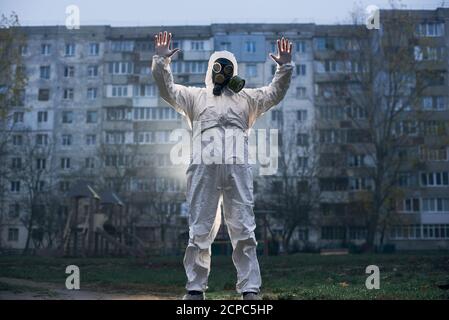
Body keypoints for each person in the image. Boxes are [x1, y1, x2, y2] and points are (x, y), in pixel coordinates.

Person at [152, 31, 294, 300]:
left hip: (237, 167)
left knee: (243, 227)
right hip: (203, 168)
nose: (222, 71)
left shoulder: (247, 98)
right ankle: (195, 288)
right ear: (211, 69)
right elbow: (167, 90)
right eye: (218, 66)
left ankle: (250, 289)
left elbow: (275, 93)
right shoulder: (195, 97)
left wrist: (284, 67)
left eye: (228, 67)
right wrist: (161, 62)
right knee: (200, 227)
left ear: (234, 71)